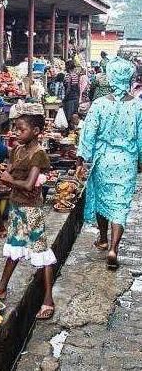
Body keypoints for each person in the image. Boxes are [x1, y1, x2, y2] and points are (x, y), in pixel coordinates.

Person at [0, 112, 56, 320]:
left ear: (36, 132)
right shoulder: (17, 149)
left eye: (22, 129)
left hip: (31, 209)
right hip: (17, 206)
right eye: (16, 128)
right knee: (14, 247)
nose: (17, 132)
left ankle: (48, 299)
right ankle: (1, 287)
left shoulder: (38, 153)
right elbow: (10, 172)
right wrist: (7, 178)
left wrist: (8, 180)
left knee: (41, 252)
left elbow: (28, 184)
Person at [77, 57, 142, 269]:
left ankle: (103, 238)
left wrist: (81, 160)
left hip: (103, 160)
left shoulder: (99, 104)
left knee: (101, 199)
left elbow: (88, 134)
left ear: (111, 77)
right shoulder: (138, 106)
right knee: (120, 205)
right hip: (127, 162)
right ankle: (114, 247)